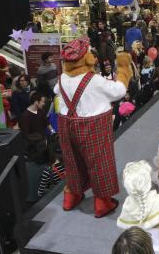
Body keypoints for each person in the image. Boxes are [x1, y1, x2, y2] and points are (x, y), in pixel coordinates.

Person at [54, 37, 134, 218]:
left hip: (66, 124)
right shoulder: (94, 80)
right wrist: (123, 69)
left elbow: (55, 91)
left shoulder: (62, 78)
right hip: (93, 125)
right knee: (99, 163)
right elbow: (119, 91)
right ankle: (102, 203)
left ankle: (71, 197)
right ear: (87, 58)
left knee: (72, 161)